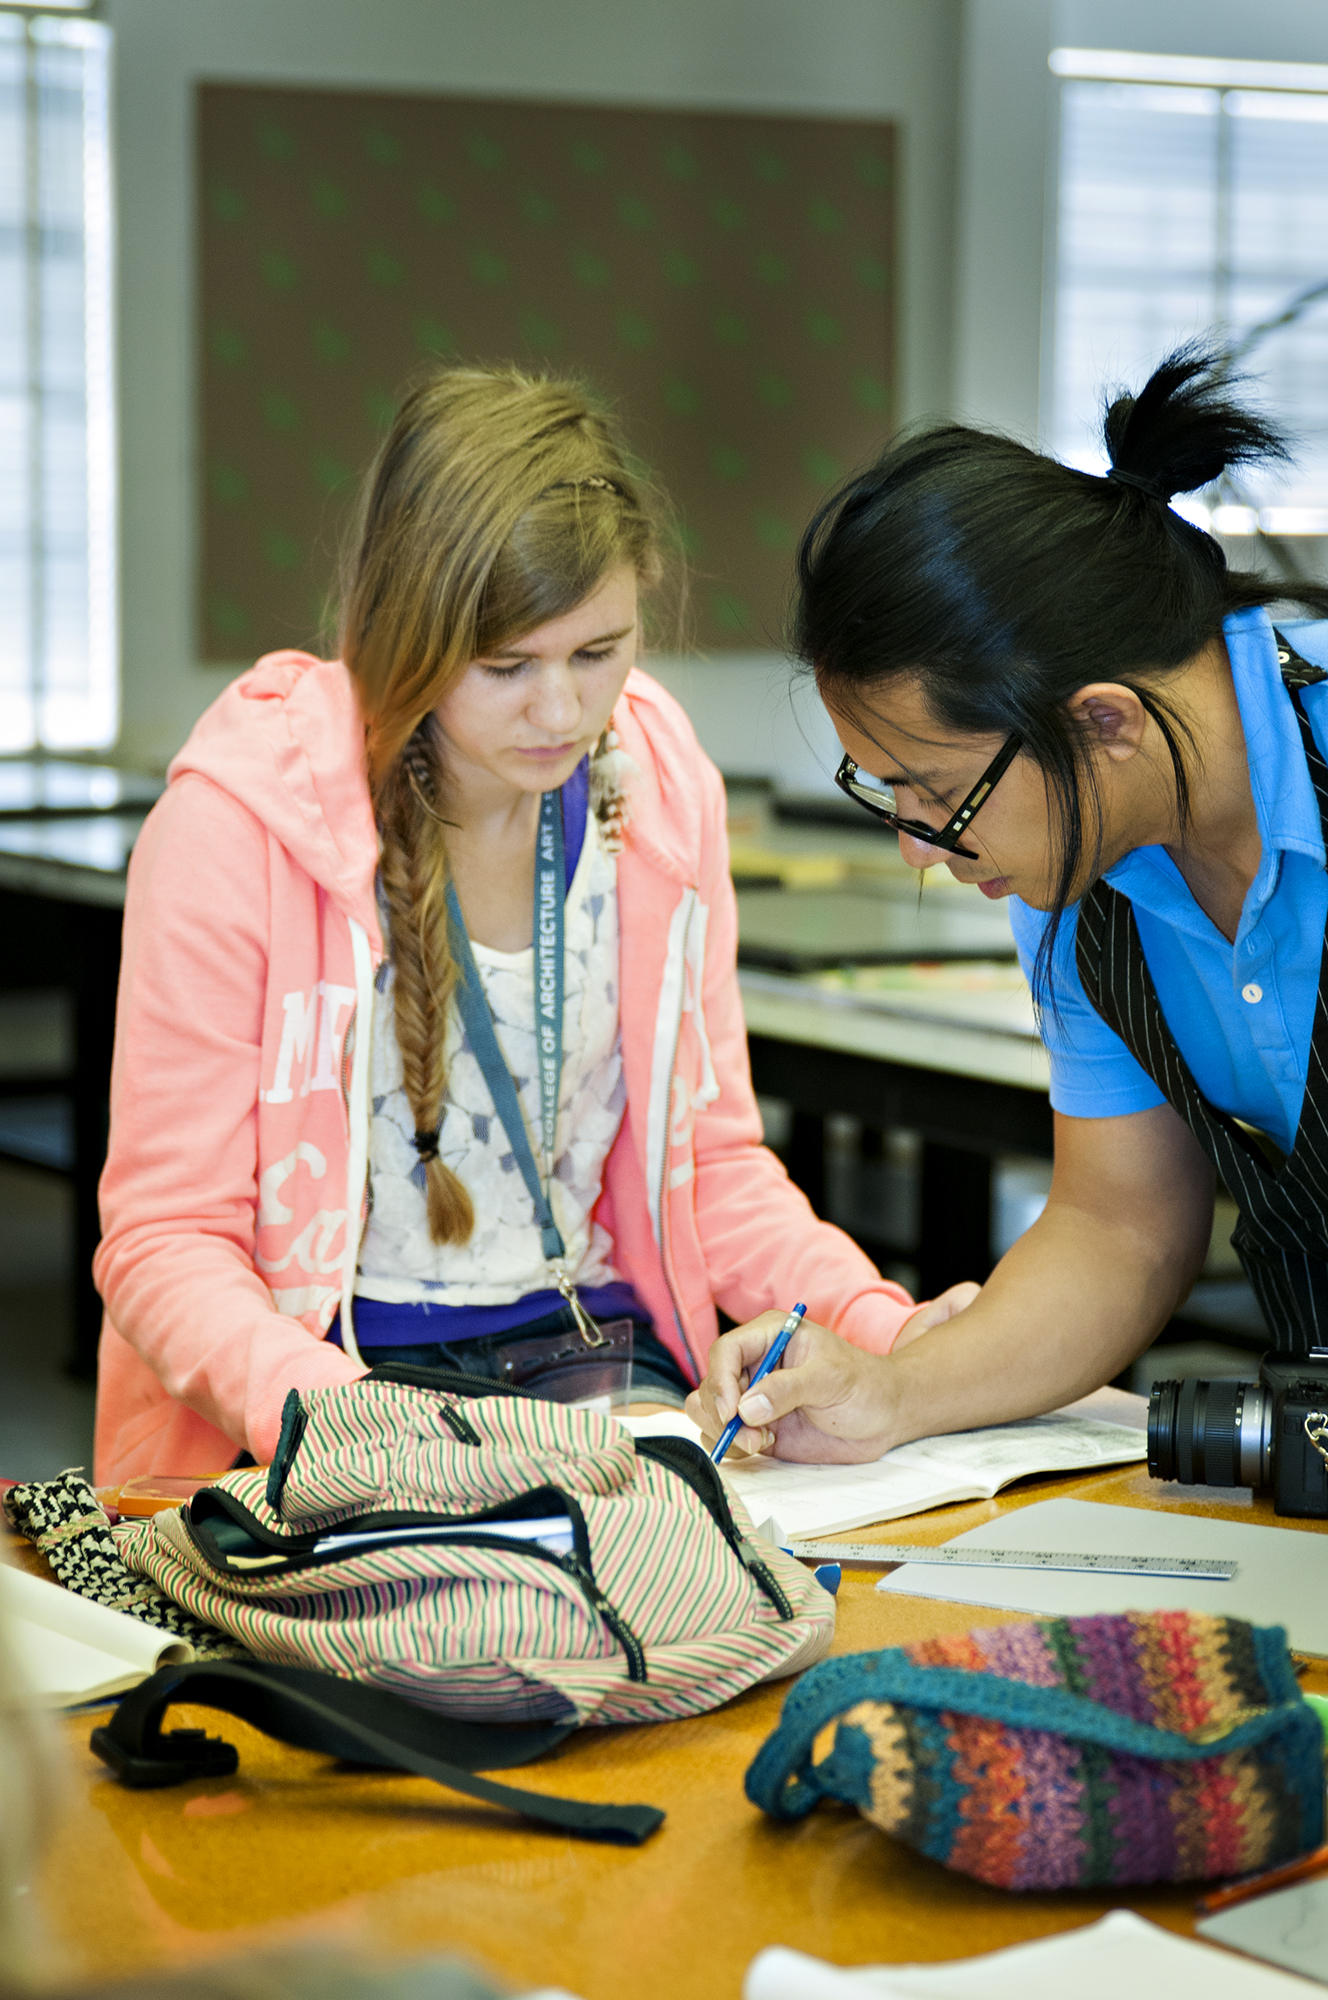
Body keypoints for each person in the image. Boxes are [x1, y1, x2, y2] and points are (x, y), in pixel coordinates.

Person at [93, 365, 972, 1483]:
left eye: (597, 653)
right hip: (332, 1382)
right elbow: (165, 1243)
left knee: (723, 1608)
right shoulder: (237, 823)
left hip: (594, 1353)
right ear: (401, 629)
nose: (561, 712)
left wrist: (883, 1333)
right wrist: (353, 1432)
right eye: (505, 666)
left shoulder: (654, 787)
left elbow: (713, 1164)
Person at [687, 345, 1328, 1463]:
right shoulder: (1075, 876)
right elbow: (1117, 1223)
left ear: (1102, 722)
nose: (915, 850)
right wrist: (888, 1392)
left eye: (938, 795)